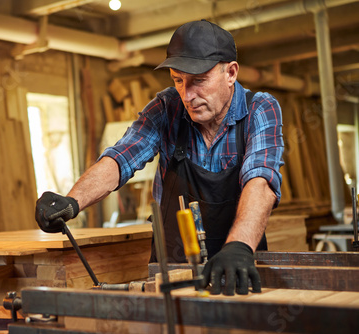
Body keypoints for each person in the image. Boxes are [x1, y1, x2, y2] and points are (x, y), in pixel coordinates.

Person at [35, 20, 284, 296]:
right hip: (174, 275)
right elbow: (120, 159)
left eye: (199, 81)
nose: (187, 95)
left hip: (238, 268)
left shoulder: (260, 109)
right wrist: (72, 201)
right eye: (178, 80)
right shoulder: (167, 108)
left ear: (231, 72)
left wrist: (238, 247)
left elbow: (261, 180)